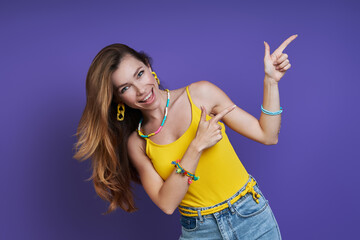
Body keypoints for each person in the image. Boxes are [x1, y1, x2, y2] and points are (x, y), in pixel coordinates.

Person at [74, 34, 297, 239]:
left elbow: (267, 135)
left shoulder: (201, 94)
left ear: (149, 67)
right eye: (125, 88)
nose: (141, 90)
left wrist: (271, 81)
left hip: (250, 216)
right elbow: (167, 203)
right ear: (117, 99)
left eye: (140, 74)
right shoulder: (138, 143)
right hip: (200, 230)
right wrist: (196, 146)